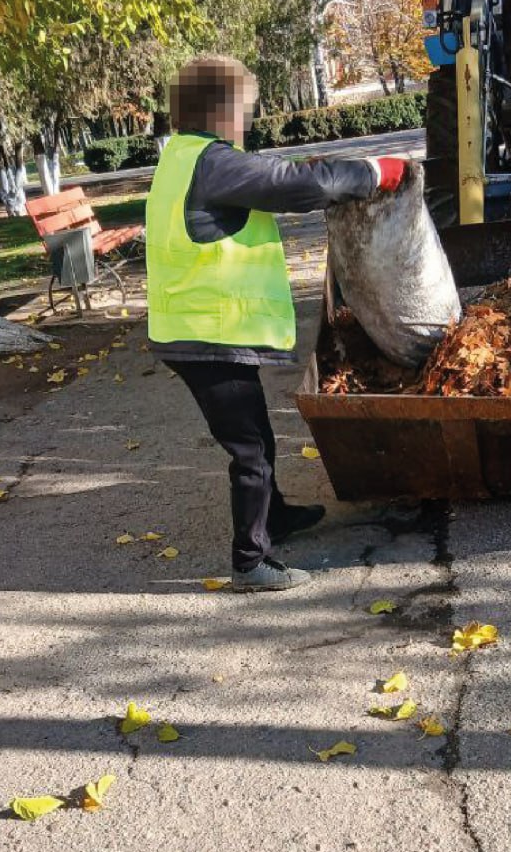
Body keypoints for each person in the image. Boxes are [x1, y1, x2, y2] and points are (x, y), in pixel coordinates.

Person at [146, 56, 406, 592]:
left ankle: (275, 516)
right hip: (206, 332)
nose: (247, 119)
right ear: (220, 112)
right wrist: (375, 172)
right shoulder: (213, 162)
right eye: (243, 109)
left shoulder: (184, 156)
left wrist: (311, 172)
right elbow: (295, 187)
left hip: (192, 327)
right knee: (250, 449)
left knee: (255, 435)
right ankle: (250, 561)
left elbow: (270, 180)